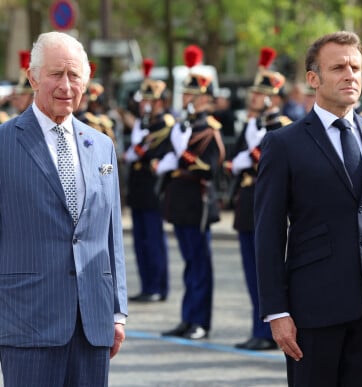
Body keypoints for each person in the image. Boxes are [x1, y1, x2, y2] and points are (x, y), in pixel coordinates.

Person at [0, 31, 127, 387]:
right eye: (56, 74)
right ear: (32, 76)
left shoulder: (101, 146)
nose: (66, 85)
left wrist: (117, 310)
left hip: (92, 322)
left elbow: (111, 235)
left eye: (74, 76)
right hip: (26, 320)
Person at [254, 31, 362, 387]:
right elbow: (267, 233)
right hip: (313, 309)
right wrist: (276, 311)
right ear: (314, 79)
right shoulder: (284, 143)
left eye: (355, 67)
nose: (350, 75)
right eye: (338, 67)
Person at [156, 44, 225, 340]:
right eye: (185, 94)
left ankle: (200, 321)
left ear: (205, 99)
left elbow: (210, 167)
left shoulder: (210, 127)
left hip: (198, 201)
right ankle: (187, 317)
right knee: (188, 264)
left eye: (192, 95)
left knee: (200, 265)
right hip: (181, 200)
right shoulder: (184, 124)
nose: (187, 99)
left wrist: (181, 154)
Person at [226, 46, 290, 351]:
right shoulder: (252, 126)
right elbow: (236, 159)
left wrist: (244, 159)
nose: (253, 98)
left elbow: (257, 160)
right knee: (251, 273)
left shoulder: (284, 128)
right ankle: (257, 328)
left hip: (268, 203)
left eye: (260, 93)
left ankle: (268, 332)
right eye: (253, 93)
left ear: (274, 98)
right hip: (246, 203)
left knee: (267, 272)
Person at [123, 58, 172, 302]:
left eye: (150, 101)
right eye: (144, 101)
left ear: (160, 102)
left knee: (153, 239)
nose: (145, 105)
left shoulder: (165, 124)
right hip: (139, 186)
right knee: (140, 240)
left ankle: (157, 286)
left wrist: (141, 146)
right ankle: (146, 285)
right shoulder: (144, 124)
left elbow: (155, 152)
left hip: (154, 188)